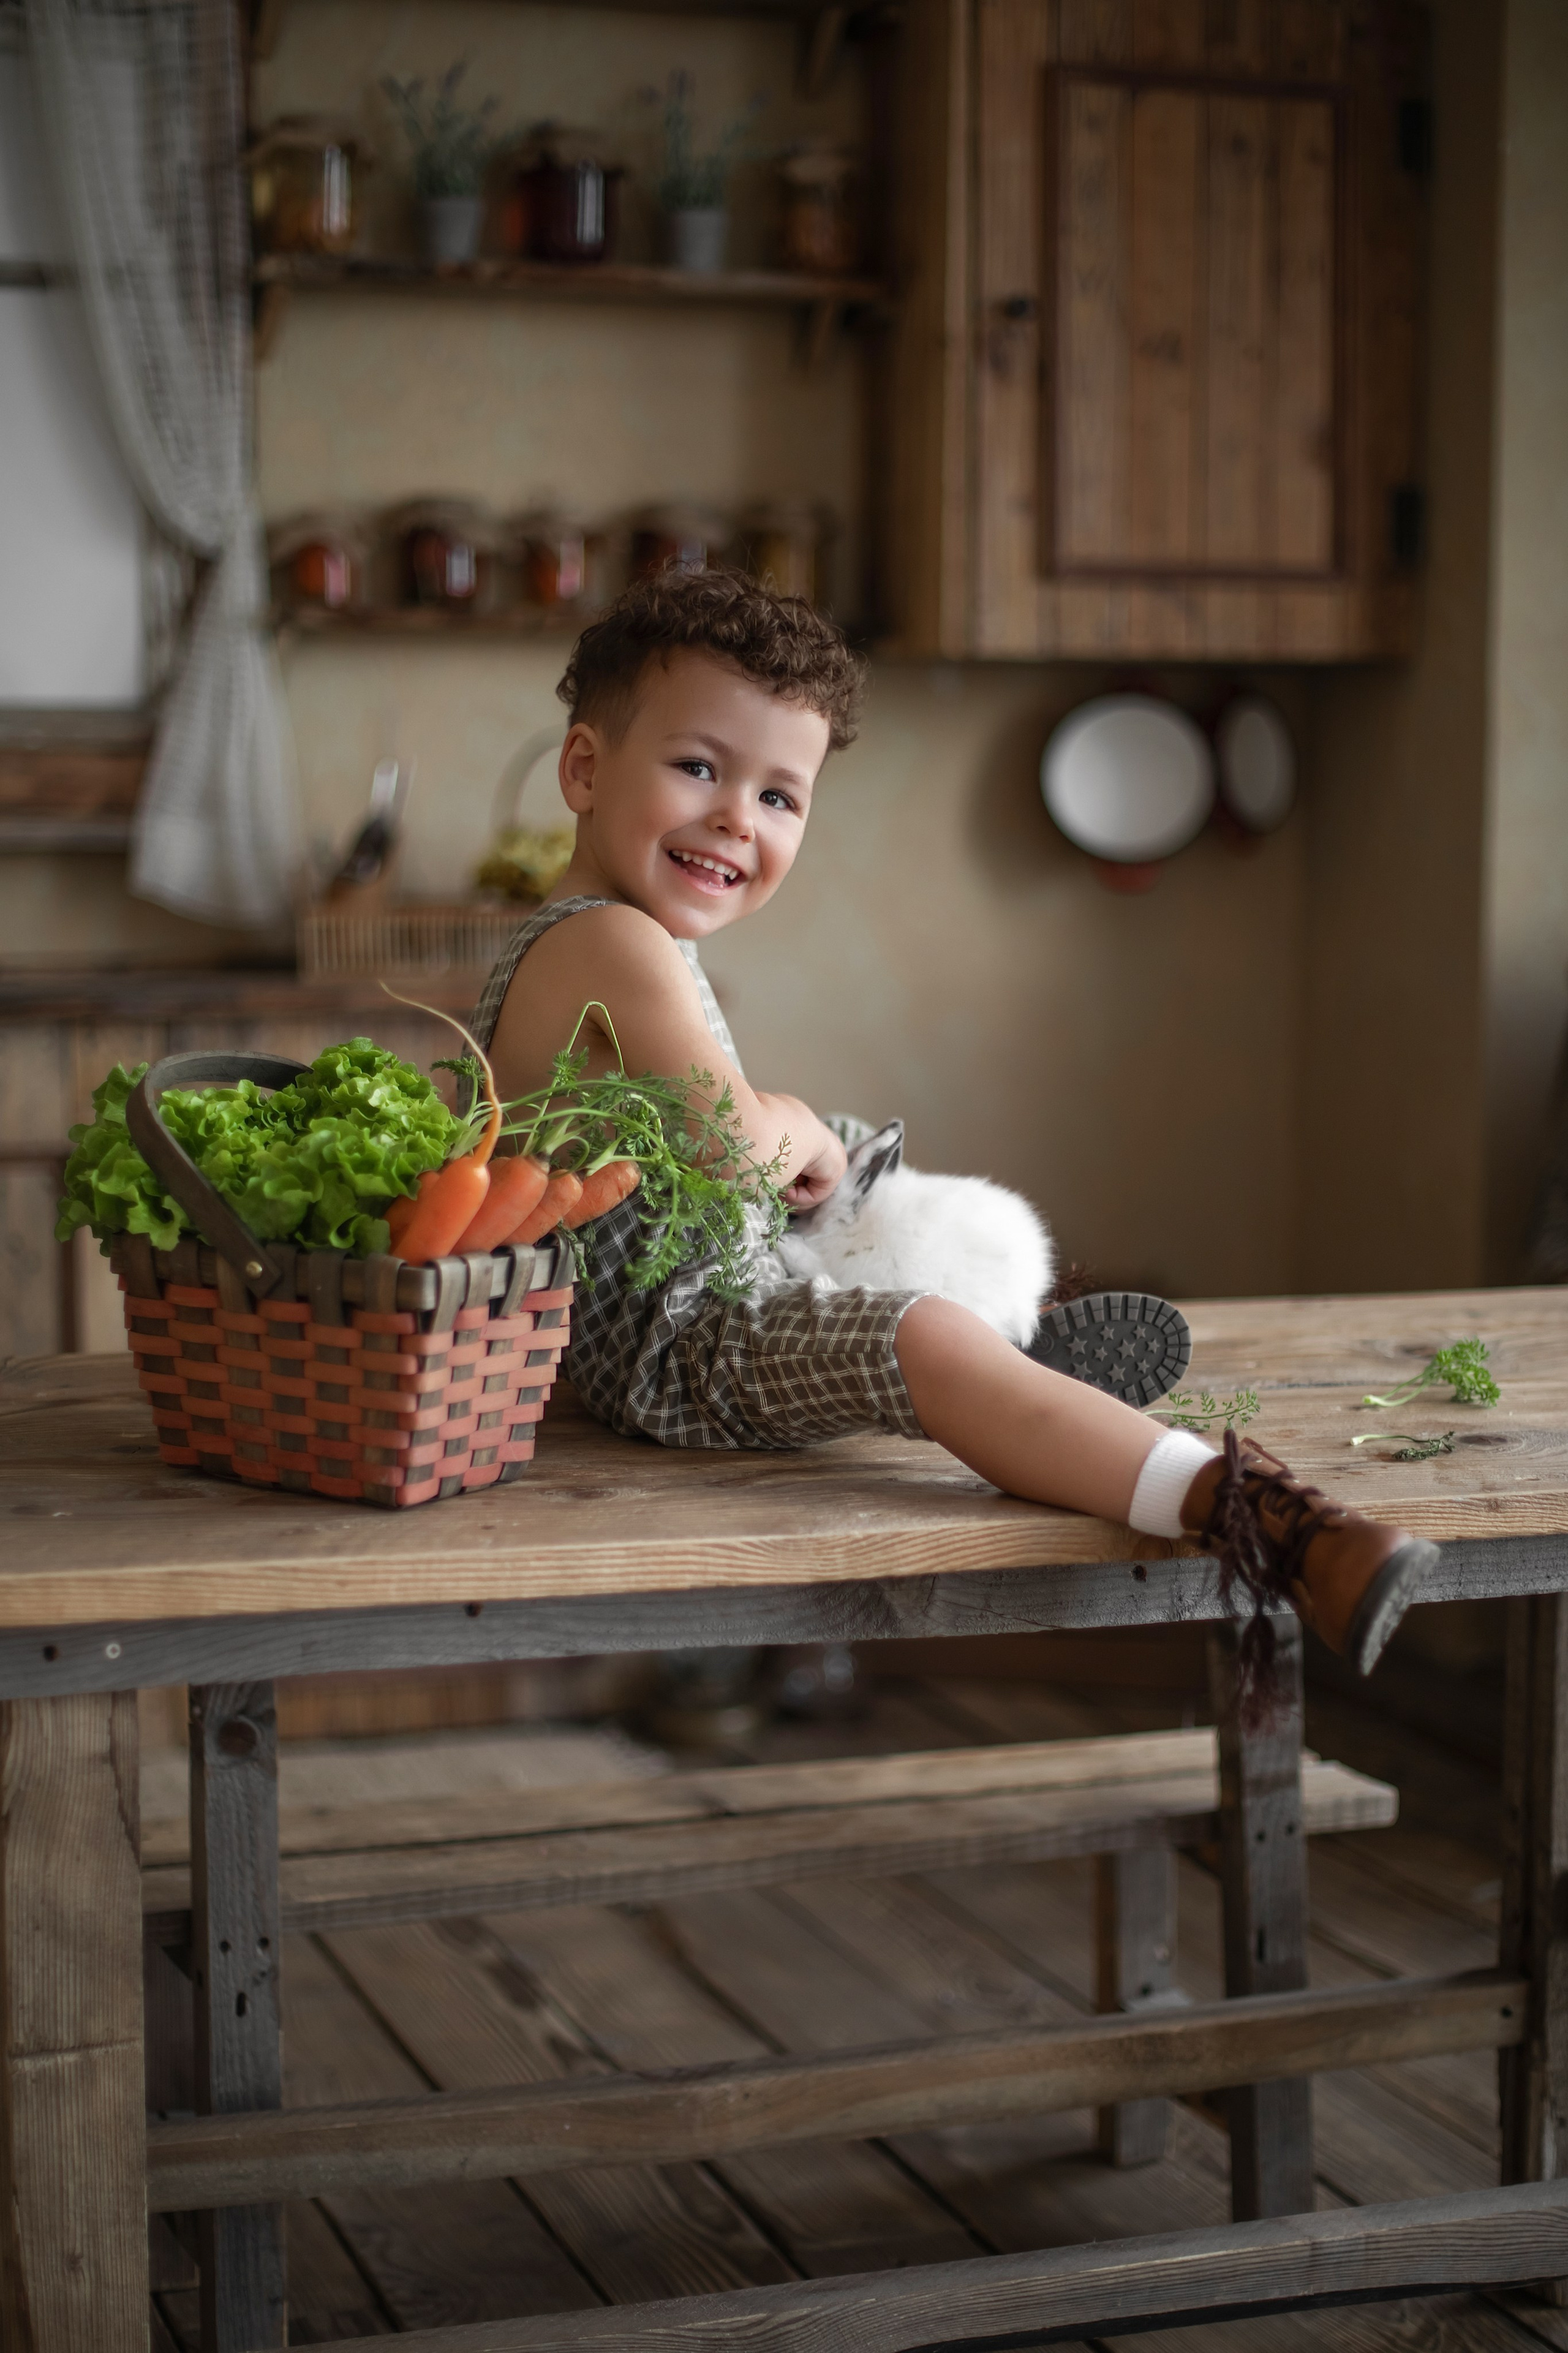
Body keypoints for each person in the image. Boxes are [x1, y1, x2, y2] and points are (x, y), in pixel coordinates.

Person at [477, 569, 1432, 1690]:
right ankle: (1269, 1520)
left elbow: (716, 1156)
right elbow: (733, 1149)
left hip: (703, 1295)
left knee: (864, 1194)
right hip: (671, 1351)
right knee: (915, 1332)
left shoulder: (620, 938)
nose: (739, 817)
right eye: (700, 768)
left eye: (782, 797)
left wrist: (806, 1143)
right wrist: (787, 1125)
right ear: (584, 768)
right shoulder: (607, 943)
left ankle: (1019, 1371)